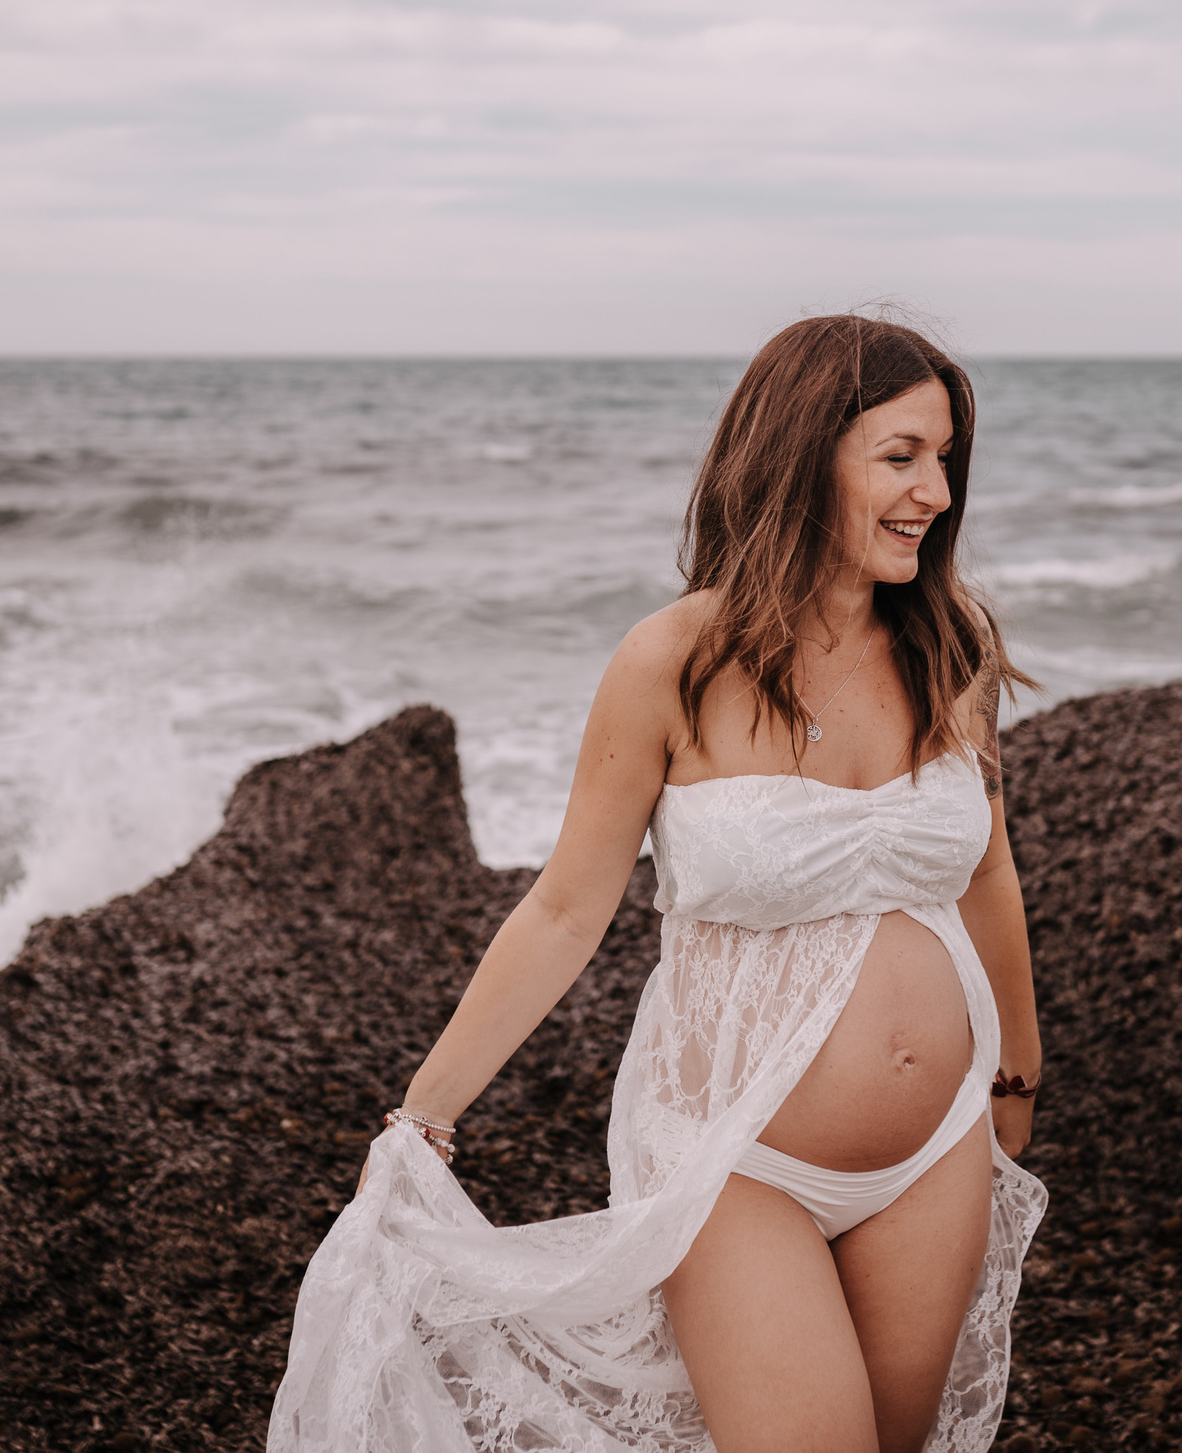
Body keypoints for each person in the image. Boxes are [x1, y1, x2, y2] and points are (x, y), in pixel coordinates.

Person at [268, 314, 1046, 1453]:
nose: (933, 490)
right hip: (733, 1161)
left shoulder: (949, 642)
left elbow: (988, 872)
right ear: (798, 455)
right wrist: (423, 1117)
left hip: (937, 1156)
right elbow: (566, 907)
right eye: (899, 456)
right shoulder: (670, 661)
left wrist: (1014, 1081)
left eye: (943, 459)